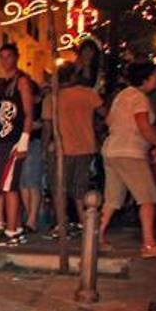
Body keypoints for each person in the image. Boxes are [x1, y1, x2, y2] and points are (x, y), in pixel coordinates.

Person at [100, 61, 156, 258]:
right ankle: (149, 244)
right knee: (147, 196)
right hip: (130, 152)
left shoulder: (122, 96)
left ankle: (96, 237)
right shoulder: (139, 98)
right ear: (145, 79)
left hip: (112, 150)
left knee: (112, 198)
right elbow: (143, 125)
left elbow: (108, 121)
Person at [0, 43, 36, 247]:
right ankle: (14, 228)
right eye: (2, 57)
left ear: (16, 57)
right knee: (4, 187)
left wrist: (24, 140)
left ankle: (12, 233)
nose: (5, 60)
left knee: (10, 187)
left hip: (14, 141)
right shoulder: (1, 85)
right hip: (1, 139)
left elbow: (28, 114)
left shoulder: (22, 82)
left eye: (9, 56)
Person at [53, 66, 103, 239]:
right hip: (85, 145)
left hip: (63, 147)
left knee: (61, 187)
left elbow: (48, 123)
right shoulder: (88, 94)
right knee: (80, 186)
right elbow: (104, 113)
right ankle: (83, 221)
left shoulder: (56, 96)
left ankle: (62, 223)